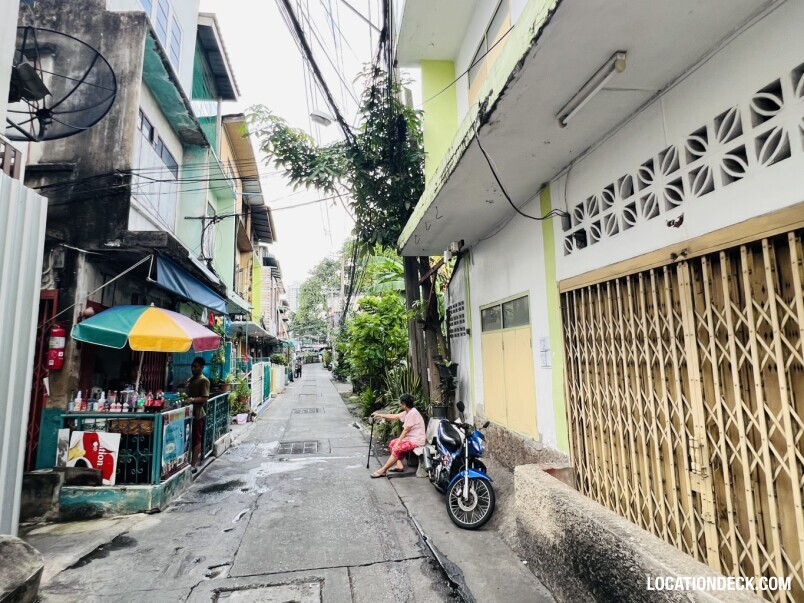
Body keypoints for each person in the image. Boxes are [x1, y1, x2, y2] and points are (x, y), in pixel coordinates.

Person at [370, 393, 426, 478]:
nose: (399, 404)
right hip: (410, 439)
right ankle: (399, 465)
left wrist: (399, 441)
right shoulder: (409, 412)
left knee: (397, 447)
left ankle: (383, 470)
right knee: (392, 443)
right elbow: (394, 416)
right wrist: (379, 415)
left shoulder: (413, 413)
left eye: (400, 403)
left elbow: (406, 430)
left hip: (416, 441)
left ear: (404, 404)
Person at [186, 357, 210, 470]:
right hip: (188, 413)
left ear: (201, 367)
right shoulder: (191, 380)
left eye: (196, 366)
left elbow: (204, 398)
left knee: (196, 439)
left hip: (198, 413)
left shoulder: (204, 381)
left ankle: (194, 464)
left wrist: (192, 400)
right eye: (192, 366)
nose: (193, 368)